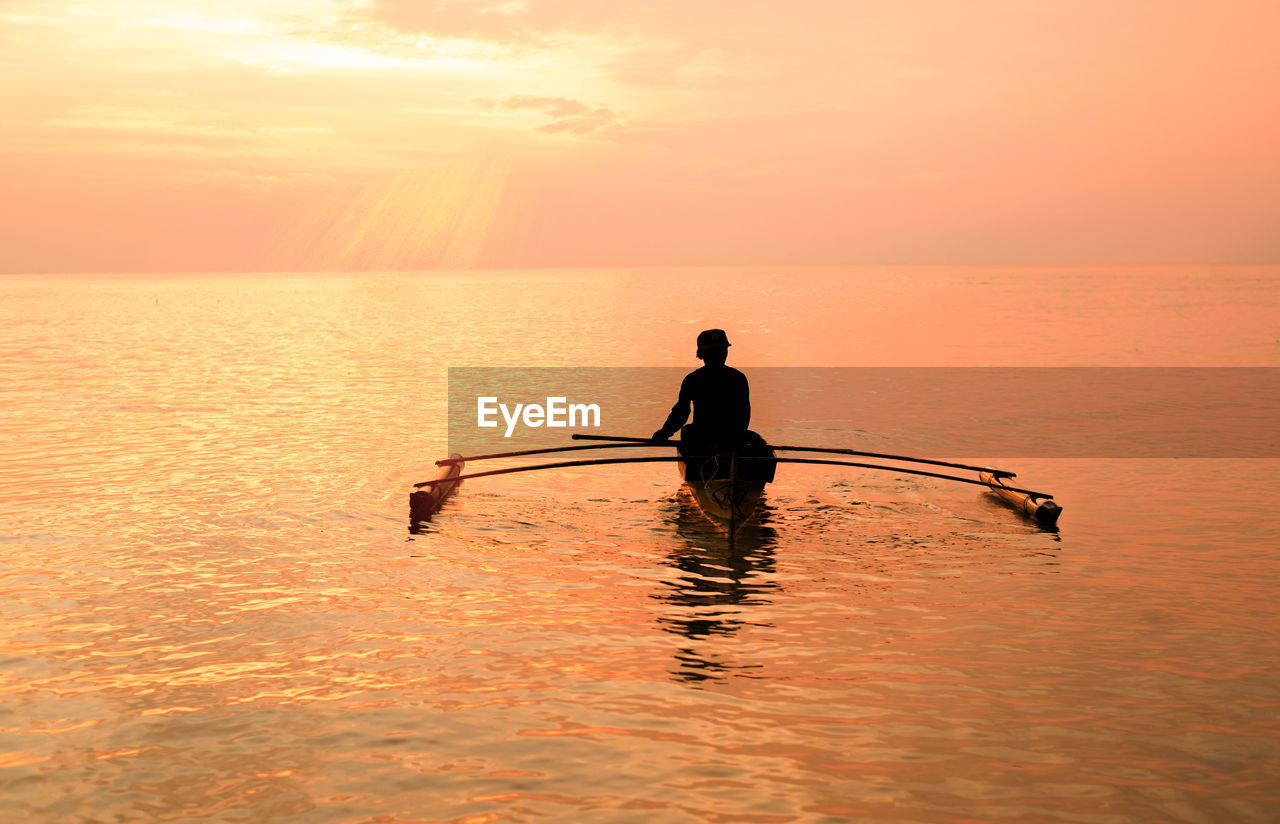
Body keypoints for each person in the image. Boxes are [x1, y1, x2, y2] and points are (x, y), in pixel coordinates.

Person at [651, 329, 751, 449]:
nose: (720, 355)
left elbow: (743, 414)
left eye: (721, 351)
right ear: (703, 354)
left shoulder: (737, 378)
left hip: (728, 438)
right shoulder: (736, 378)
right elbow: (681, 411)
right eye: (714, 352)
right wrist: (665, 431)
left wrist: (728, 439)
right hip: (703, 438)